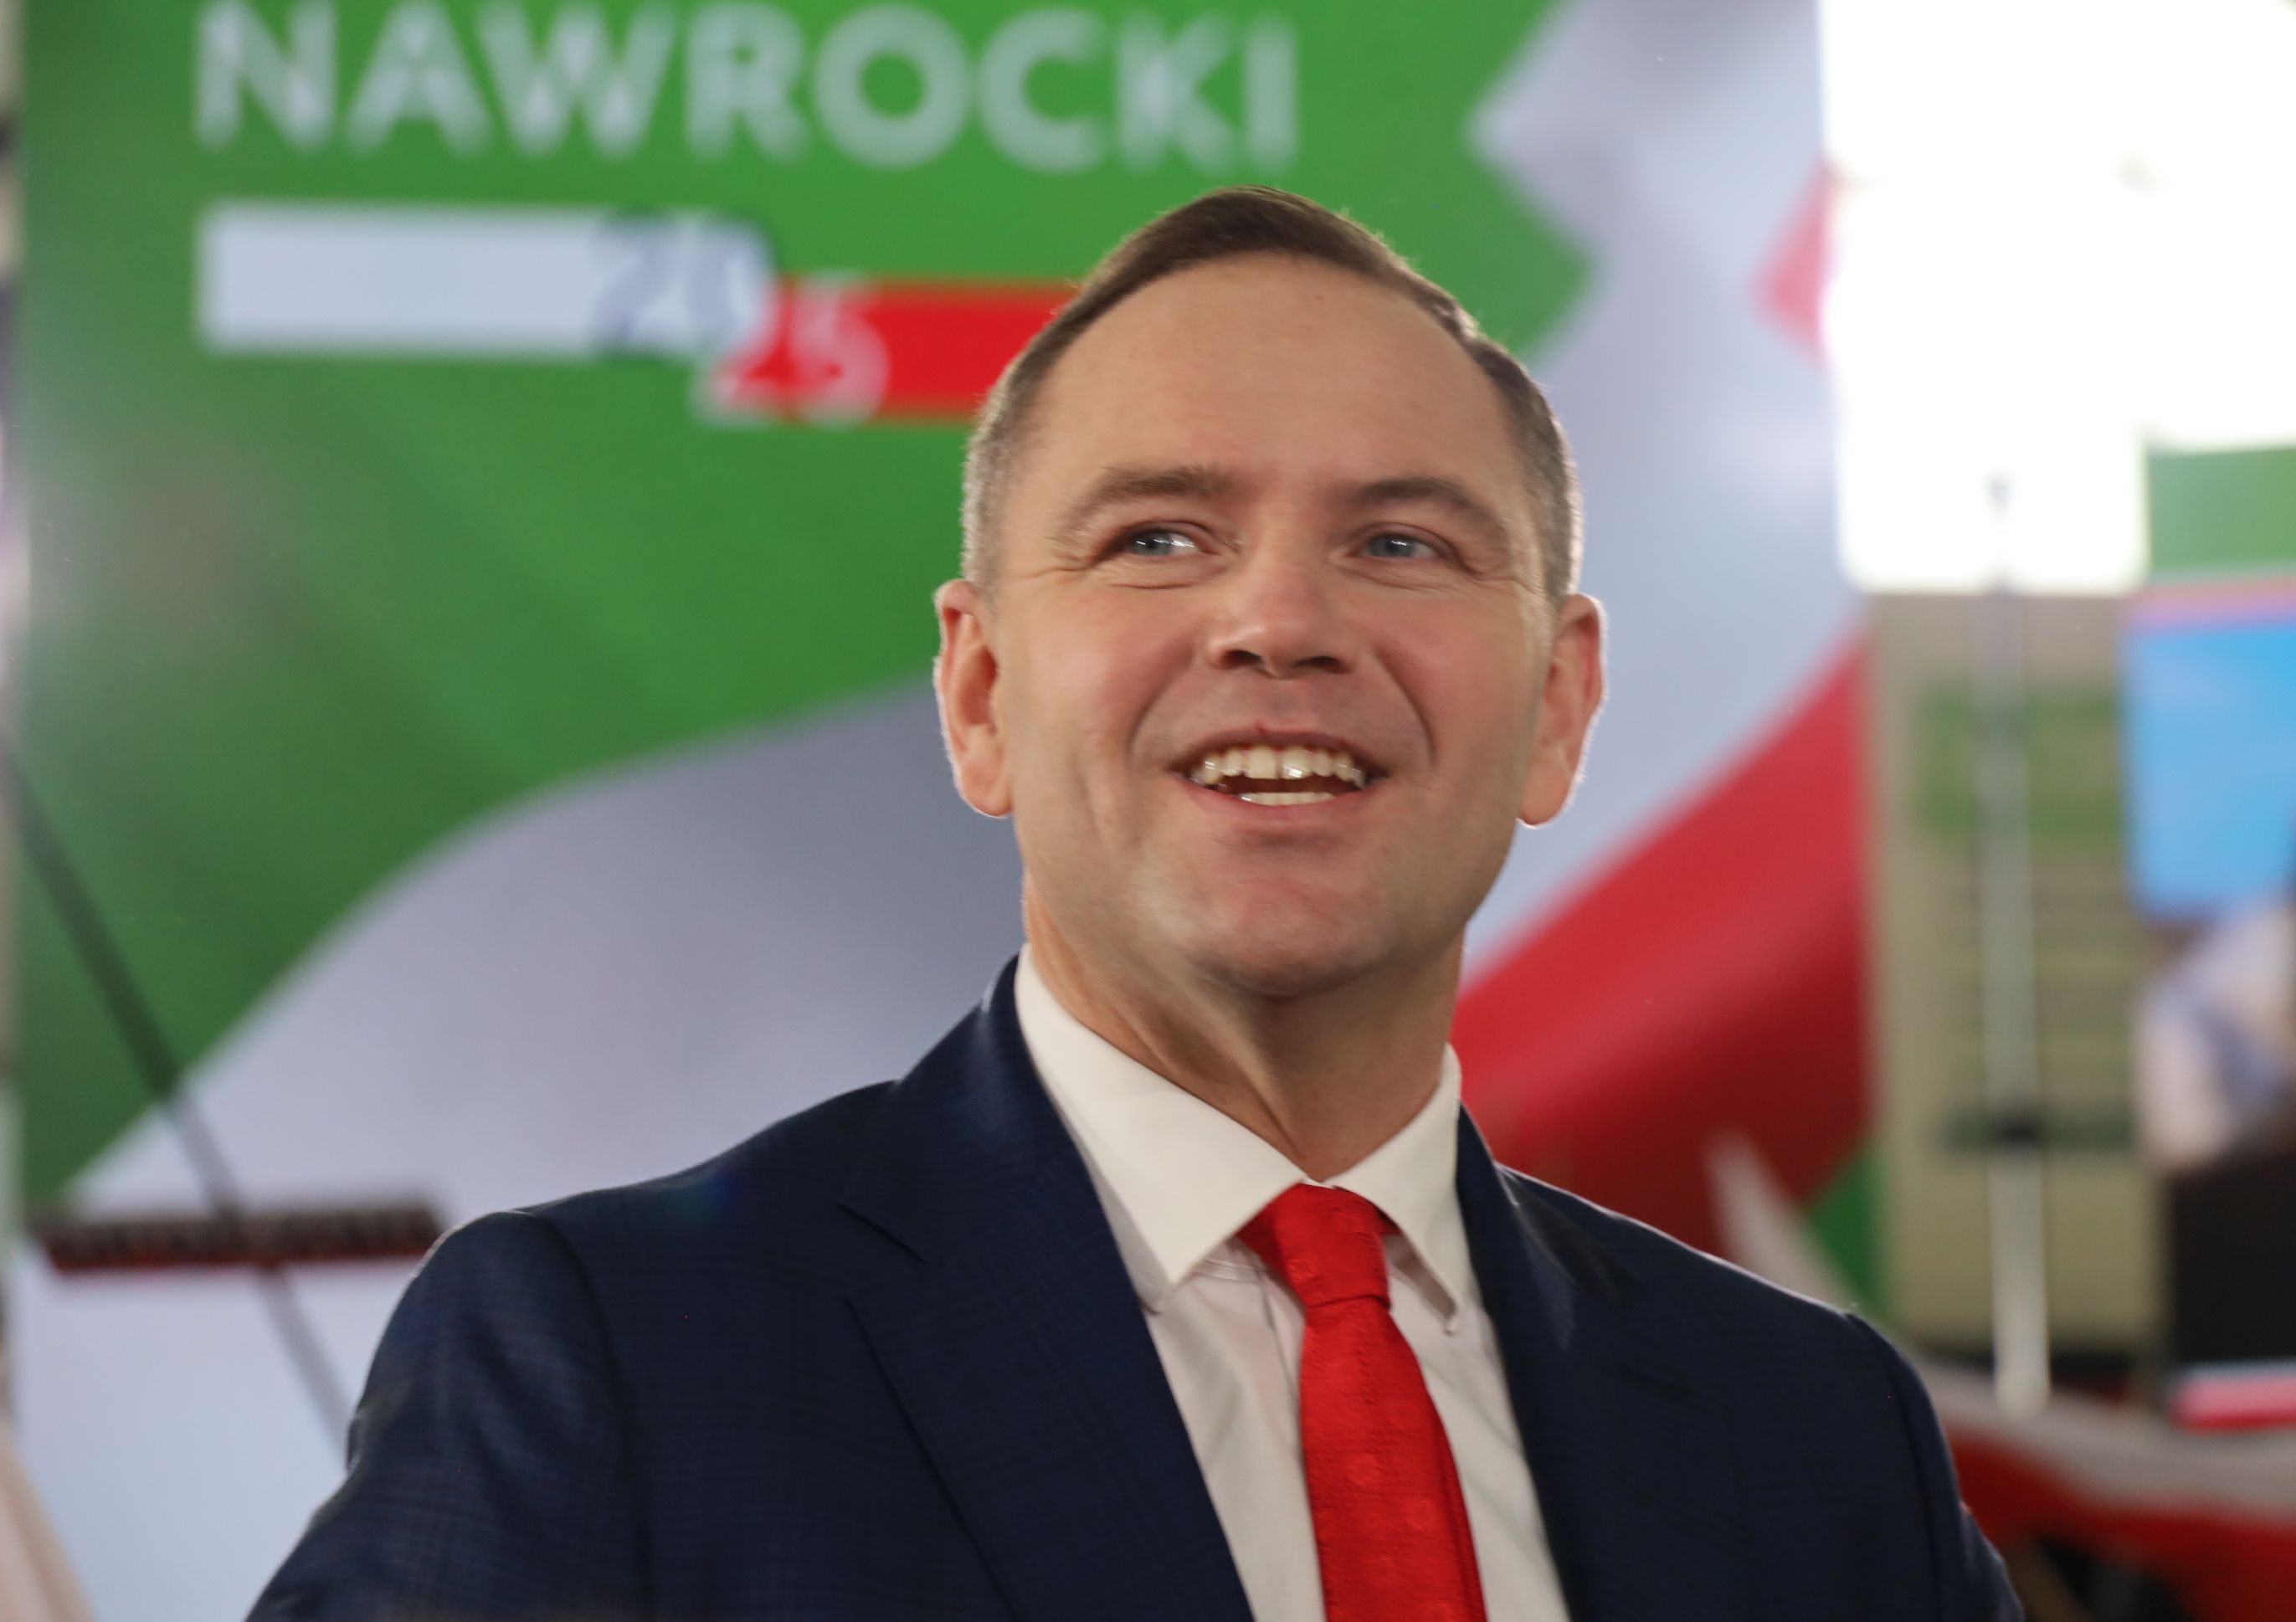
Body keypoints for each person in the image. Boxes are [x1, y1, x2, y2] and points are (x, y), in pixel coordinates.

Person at [252, 186, 2020, 1622]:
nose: (1280, 622)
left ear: (1559, 705)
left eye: (1401, 544)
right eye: (1157, 538)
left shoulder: (1818, 1439)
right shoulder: (615, 1369)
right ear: (979, 697)